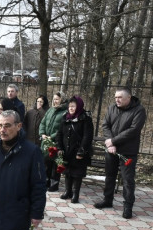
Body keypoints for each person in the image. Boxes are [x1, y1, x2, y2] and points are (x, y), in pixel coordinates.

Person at [93, 88, 147, 219]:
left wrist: (113, 141)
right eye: (115, 97)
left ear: (129, 98)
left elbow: (133, 130)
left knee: (128, 180)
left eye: (120, 97)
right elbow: (105, 125)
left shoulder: (139, 110)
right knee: (110, 176)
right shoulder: (112, 108)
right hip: (111, 150)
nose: (117, 99)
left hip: (128, 151)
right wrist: (110, 143)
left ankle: (128, 206)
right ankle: (107, 200)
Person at [56, 96, 93, 203]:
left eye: (73, 106)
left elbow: (87, 136)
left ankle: (75, 194)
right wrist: (59, 147)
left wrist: (82, 151)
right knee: (67, 172)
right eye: (70, 106)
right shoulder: (65, 118)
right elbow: (60, 134)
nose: (71, 108)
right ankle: (68, 191)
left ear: (79, 106)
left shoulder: (85, 118)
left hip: (78, 151)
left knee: (77, 173)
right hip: (66, 151)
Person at [39, 91, 68, 192]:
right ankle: (46, 182)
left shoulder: (65, 112)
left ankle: (54, 184)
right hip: (46, 141)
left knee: (55, 164)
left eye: (57, 99)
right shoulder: (50, 110)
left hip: (56, 142)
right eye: (54, 99)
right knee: (46, 162)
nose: (55, 101)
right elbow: (43, 123)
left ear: (62, 100)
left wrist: (51, 137)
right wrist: (42, 134)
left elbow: (62, 128)